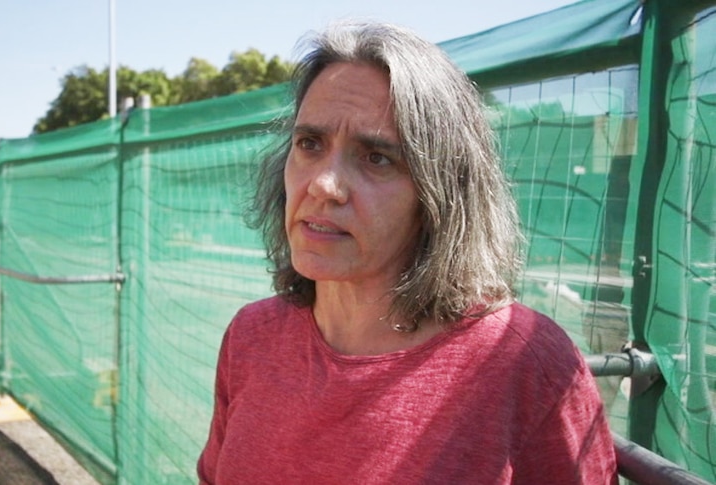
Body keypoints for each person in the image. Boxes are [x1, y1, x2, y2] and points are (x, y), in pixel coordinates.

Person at [197, 20, 617, 484]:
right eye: (309, 144)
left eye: (376, 158)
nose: (322, 184)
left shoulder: (528, 365)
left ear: (441, 195)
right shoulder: (251, 338)